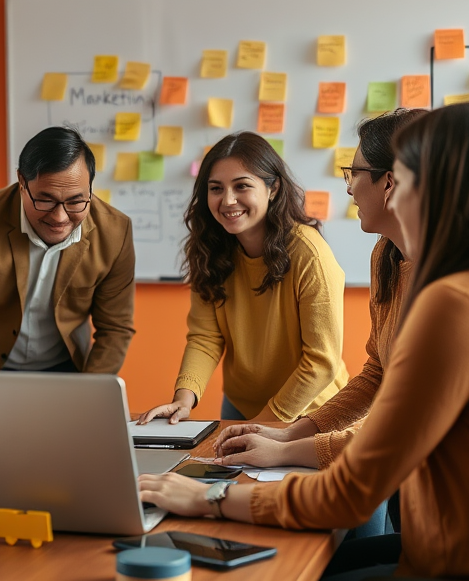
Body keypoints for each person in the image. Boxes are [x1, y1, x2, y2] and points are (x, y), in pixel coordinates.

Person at [139, 102, 469, 581]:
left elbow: (350, 492)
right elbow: (382, 385)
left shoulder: (459, 304)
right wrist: (289, 438)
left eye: (402, 179)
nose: (382, 190)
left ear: (439, 188)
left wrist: (208, 500)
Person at [212, 109, 426, 472]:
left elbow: (407, 429)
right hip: (409, 481)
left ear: (389, 183)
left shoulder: (450, 285)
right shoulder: (386, 255)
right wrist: (288, 434)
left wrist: (283, 449)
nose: (348, 186)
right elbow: (377, 373)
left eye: (354, 173)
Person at [139, 131, 349, 425]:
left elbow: (322, 361)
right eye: (215, 188)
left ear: (273, 188)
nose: (227, 200)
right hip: (240, 406)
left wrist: (260, 425)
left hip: (308, 411)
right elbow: (205, 337)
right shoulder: (208, 249)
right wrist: (183, 399)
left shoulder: (310, 254)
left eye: (242, 186)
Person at [0, 126, 135, 374]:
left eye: (76, 201)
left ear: (90, 187)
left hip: (67, 372)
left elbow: (115, 327)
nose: (59, 217)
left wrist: (89, 394)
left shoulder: (115, 232)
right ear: (22, 183)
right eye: (45, 200)